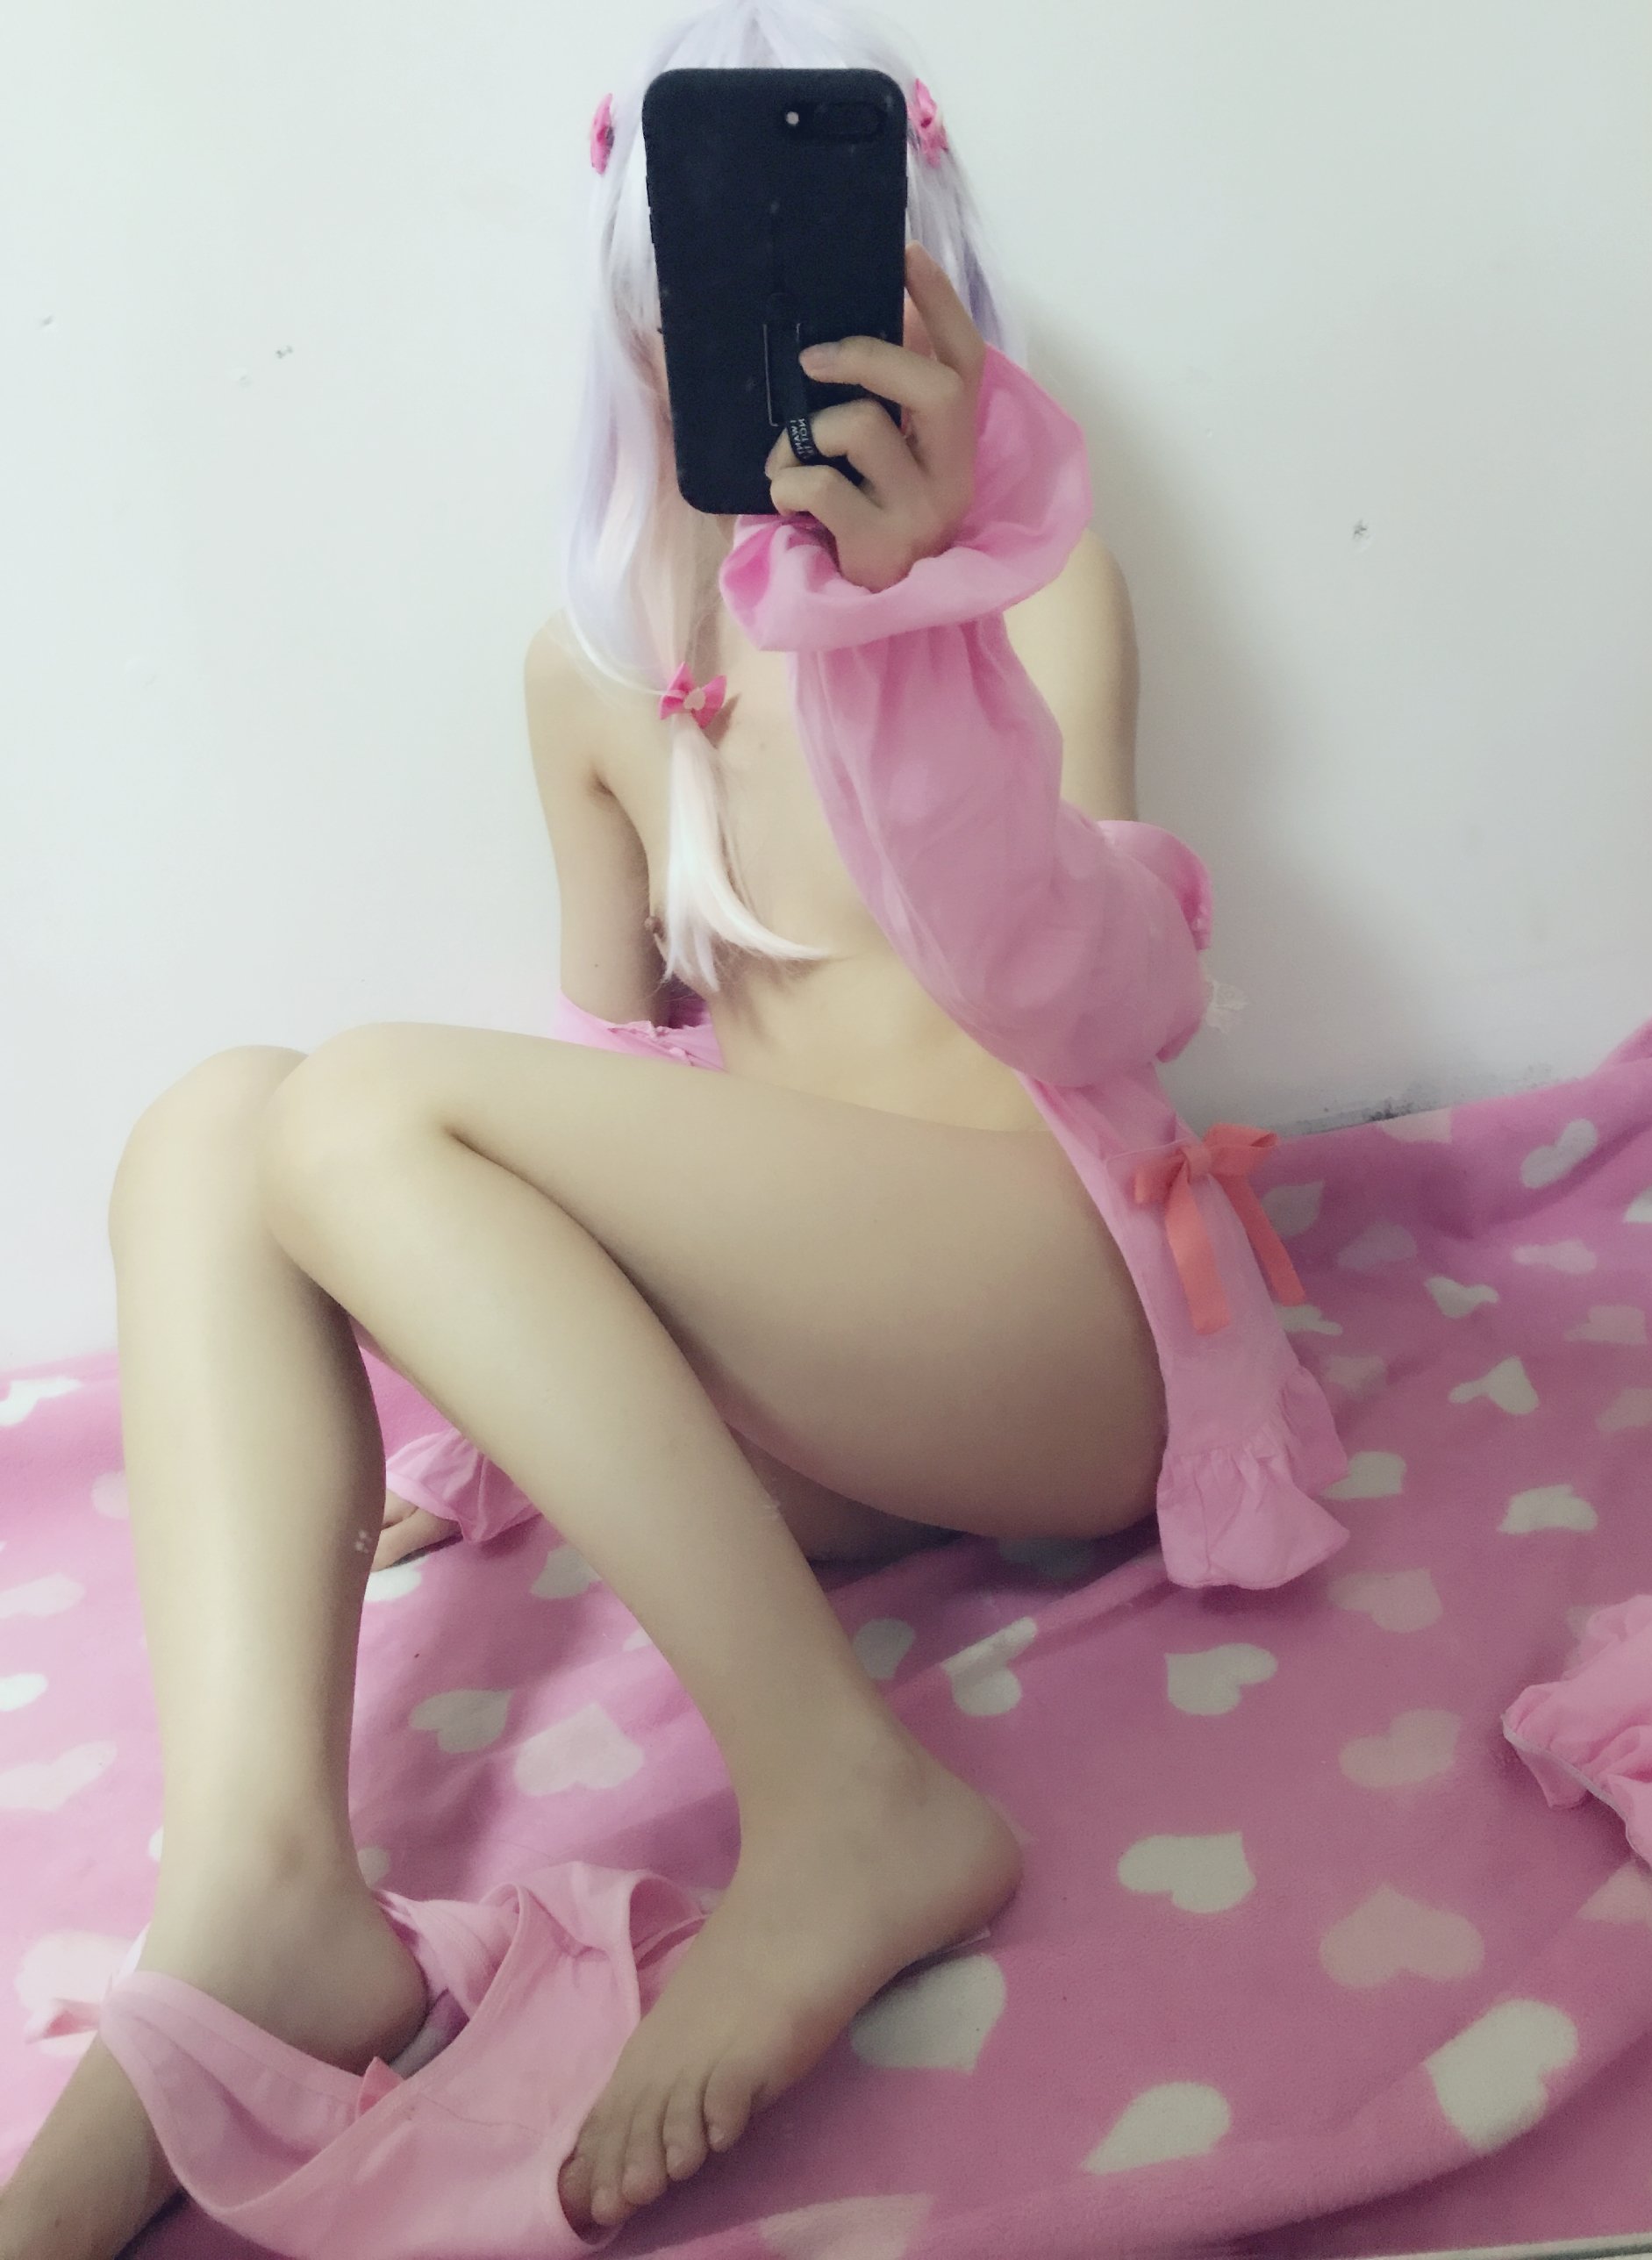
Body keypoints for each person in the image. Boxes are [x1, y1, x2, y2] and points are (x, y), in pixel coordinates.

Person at [0, 4, 1347, 2255]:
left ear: (932, 300)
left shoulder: (1034, 589)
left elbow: (1098, 991)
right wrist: (464, 1397)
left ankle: (842, 1799)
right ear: (627, 328)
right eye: (684, 301)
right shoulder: (598, 669)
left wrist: (912, 615)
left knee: (362, 1092)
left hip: (1048, 1325)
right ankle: (259, 1901)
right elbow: (617, 1065)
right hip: (812, 1407)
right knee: (218, 1122)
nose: (735, 346)